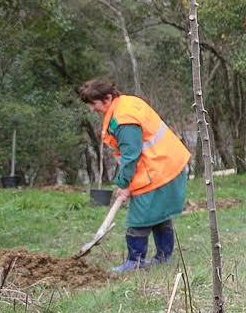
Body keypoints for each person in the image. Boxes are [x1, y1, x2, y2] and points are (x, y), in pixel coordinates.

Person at [79, 80, 191, 273]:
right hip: (166, 164)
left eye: (93, 104)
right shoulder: (126, 103)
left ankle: (134, 261)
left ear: (107, 98)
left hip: (157, 169)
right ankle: (164, 257)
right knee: (158, 214)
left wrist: (123, 183)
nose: (91, 109)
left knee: (138, 219)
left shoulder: (123, 119)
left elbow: (131, 155)